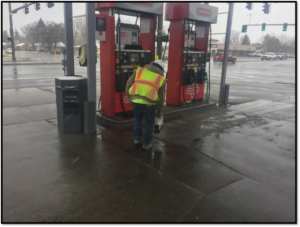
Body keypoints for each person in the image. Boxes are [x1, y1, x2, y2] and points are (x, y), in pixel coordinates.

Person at [125, 59, 166, 150]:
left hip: (135, 102)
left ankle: (137, 140)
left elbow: (128, 84)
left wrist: (131, 98)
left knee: (137, 119)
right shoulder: (160, 78)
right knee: (149, 123)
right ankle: (146, 144)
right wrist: (159, 111)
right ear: (161, 69)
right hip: (149, 104)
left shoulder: (140, 70)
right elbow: (161, 97)